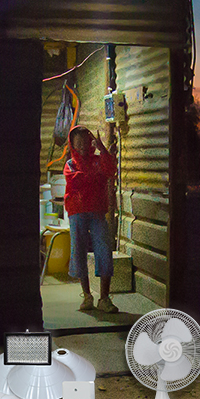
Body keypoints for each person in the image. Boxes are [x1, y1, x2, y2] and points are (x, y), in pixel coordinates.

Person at [64, 126, 118, 313]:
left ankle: (104, 298)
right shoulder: (70, 164)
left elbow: (110, 170)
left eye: (85, 141)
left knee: (104, 250)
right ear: (72, 144)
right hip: (77, 211)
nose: (81, 145)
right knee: (78, 251)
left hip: (97, 212)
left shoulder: (98, 159)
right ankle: (87, 296)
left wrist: (103, 149)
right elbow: (76, 180)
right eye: (77, 142)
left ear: (90, 143)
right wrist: (97, 177)